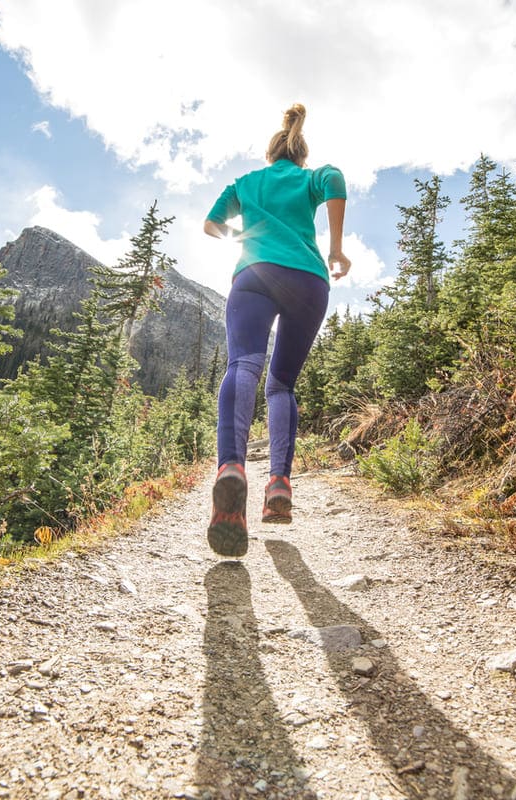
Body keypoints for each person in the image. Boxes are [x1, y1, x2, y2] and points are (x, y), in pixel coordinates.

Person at [203, 103, 351, 557]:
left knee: (244, 363)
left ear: (271, 153)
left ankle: (232, 466)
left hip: (254, 275)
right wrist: (337, 249)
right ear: (300, 154)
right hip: (309, 280)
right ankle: (279, 484)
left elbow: (210, 224)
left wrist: (246, 240)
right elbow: (336, 179)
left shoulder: (245, 184)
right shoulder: (310, 178)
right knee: (281, 385)